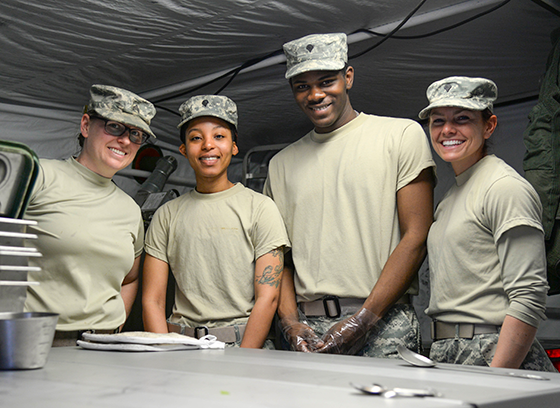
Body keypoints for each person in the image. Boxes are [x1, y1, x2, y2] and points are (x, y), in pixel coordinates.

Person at [263, 33, 435, 357]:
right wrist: (289, 323)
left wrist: (364, 320)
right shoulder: (280, 165)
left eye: (327, 81)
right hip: (307, 329)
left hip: (384, 322)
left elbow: (417, 236)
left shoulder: (400, 135)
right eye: (302, 86)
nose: (315, 94)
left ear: (349, 77)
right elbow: (279, 259)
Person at [420, 76, 556, 372]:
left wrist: (497, 376)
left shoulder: (504, 188)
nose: (447, 130)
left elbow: (529, 296)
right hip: (449, 350)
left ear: (489, 125)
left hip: (492, 351)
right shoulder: (451, 195)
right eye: (437, 120)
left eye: (463, 119)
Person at [142, 95, 290, 348]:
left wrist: (245, 357)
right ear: (183, 149)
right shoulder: (166, 214)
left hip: (243, 345)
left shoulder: (260, 208)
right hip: (179, 346)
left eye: (219, 136)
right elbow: (152, 300)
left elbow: (269, 297)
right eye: (196, 138)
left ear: (234, 146)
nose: (207, 145)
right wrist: (164, 353)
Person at [24, 84, 156, 346]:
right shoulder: (39, 176)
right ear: (86, 125)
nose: (125, 140)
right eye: (114, 127)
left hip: (102, 345)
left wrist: (115, 327)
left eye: (136, 134)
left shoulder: (130, 208)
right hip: (39, 339)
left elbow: (130, 278)